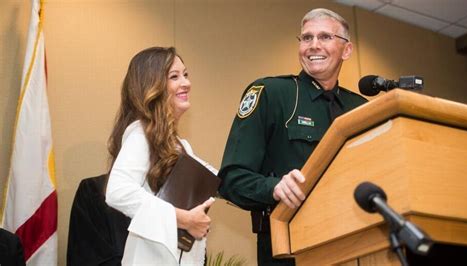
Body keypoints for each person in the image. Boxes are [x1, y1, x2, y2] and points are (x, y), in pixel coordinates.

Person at [218, 8, 368, 265]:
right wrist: (274, 188)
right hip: (287, 246)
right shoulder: (272, 93)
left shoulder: (361, 108)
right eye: (306, 38)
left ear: (347, 50)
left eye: (325, 37)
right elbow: (231, 179)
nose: (313, 45)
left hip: (354, 244)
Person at [105, 46, 216, 265]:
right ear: (152, 86)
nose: (186, 83)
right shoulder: (141, 133)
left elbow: (224, 180)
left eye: (185, 74)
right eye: (174, 77)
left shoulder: (181, 146)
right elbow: (117, 192)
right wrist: (184, 219)